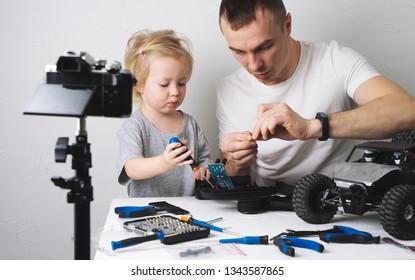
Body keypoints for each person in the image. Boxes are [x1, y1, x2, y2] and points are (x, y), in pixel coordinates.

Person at [217, 0, 415, 187]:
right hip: (269, 211)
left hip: (342, 204)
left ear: (287, 25)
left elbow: (408, 111)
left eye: (265, 47)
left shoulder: (334, 61)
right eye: (239, 52)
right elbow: (234, 182)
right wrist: (236, 164)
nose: (253, 65)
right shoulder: (229, 90)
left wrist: (312, 127)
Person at [117, 29, 211, 197]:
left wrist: (204, 169)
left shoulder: (189, 124)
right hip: (148, 212)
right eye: (164, 84)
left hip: (188, 210)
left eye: (181, 83)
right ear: (139, 84)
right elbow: (130, 168)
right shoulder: (135, 126)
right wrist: (164, 162)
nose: (175, 91)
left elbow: (205, 158)